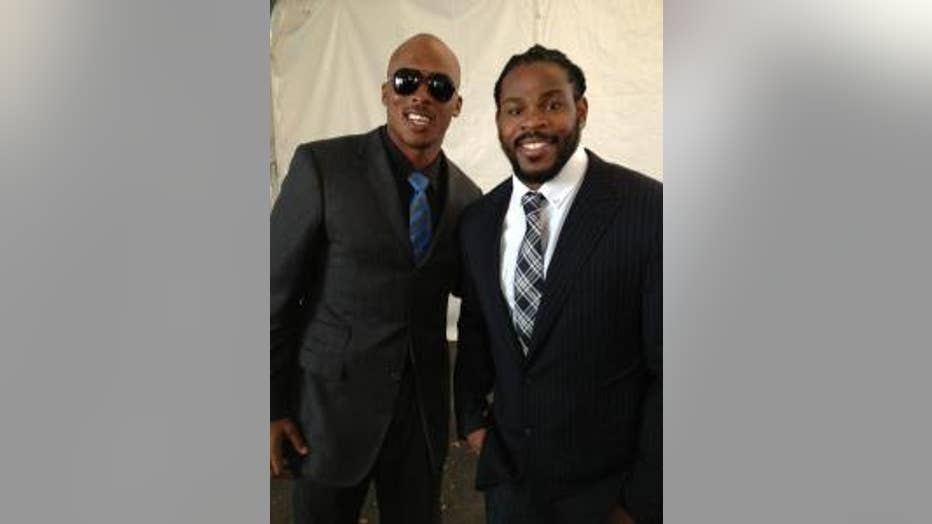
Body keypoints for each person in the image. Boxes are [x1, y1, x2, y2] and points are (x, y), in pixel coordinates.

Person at [270, 33, 481, 524]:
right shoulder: (322, 167)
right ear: (385, 91)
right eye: (407, 80)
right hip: (324, 412)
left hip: (420, 421)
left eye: (439, 87)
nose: (421, 95)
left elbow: (480, 316)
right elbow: (272, 295)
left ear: (457, 105)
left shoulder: (470, 203)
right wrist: (270, 406)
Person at [454, 44, 662, 524]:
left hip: (607, 495)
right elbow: (476, 327)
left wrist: (640, 502)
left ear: (581, 109)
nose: (532, 123)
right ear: (499, 121)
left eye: (552, 104)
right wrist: (471, 419)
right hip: (509, 485)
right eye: (515, 110)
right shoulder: (480, 221)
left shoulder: (648, 211)